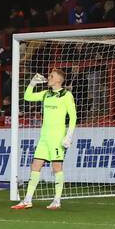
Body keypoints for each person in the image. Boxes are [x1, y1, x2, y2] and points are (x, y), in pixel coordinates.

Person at [12, 68, 78, 211]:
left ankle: (57, 200)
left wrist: (69, 135)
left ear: (59, 80)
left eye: (51, 76)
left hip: (57, 138)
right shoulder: (46, 94)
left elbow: (73, 117)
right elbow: (27, 96)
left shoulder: (67, 95)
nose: (48, 78)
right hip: (44, 138)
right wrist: (32, 83)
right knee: (35, 165)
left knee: (57, 168)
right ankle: (27, 200)